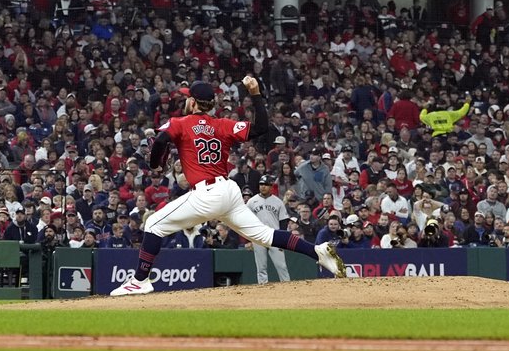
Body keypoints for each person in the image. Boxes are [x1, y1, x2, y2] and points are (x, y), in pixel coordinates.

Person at [110, 78, 346, 296]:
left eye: (187, 98)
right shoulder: (223, 124)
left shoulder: (179, 122)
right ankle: (317, 251)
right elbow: (261, 127)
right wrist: (255, 94)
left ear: (192, 101)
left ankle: (140, 280)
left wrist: (155, 163)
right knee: (264, 235)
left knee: (152, 224)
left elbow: (159, 141)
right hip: (229, 191)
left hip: (207, 194)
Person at [245, 175, 292, 283]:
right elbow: (246, 221)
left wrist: (282, 239)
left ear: (271, 187)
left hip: (274, 236)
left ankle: (288, 286)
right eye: (261, 184)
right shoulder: (252, 202)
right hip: (258, 237)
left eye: (266, 185)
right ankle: (263, 289)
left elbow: (283, 221)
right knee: (261, 268)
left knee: (281, 266)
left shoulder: (278, 202)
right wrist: (249, 239)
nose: (263, 187)